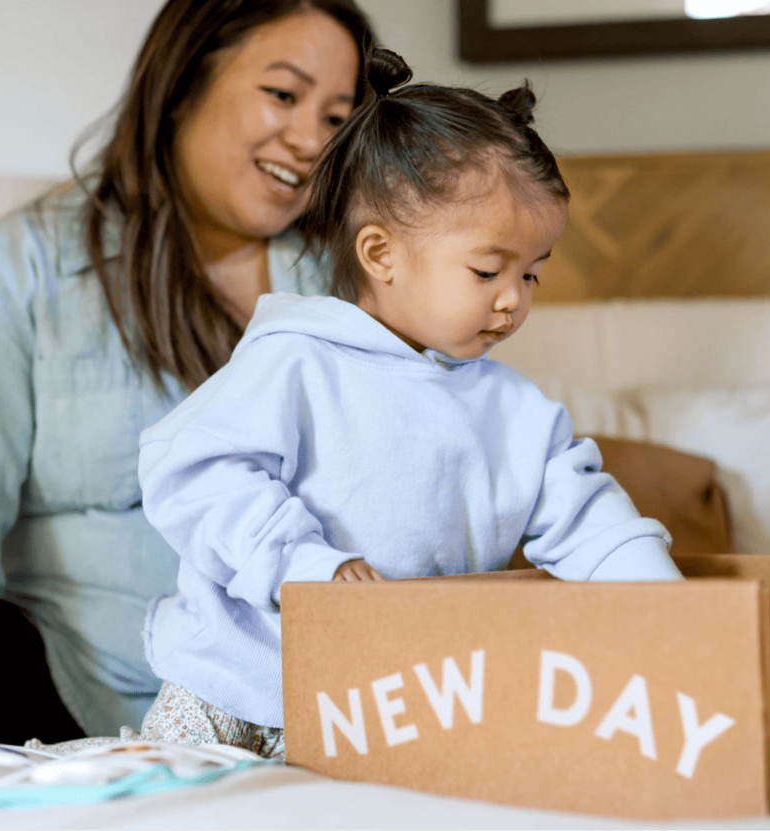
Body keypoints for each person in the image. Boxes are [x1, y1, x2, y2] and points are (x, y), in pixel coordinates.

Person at [134, 48, 684, 760]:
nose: (513, 298)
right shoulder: (296, 360)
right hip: (226, 688)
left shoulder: (517, 414)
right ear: (380, 253)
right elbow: (191, 472)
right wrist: (307, 564)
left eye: (533, 274)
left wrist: (675, 611)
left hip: (382, 705)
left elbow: (591, 522)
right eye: (489, 269)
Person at [0, 0, 376, 745]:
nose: (309, 140)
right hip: (67, 690)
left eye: (337, 118)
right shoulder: (29, 264)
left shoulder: (349, 288)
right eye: (283, 94)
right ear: (180, 88)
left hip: (291, 704)